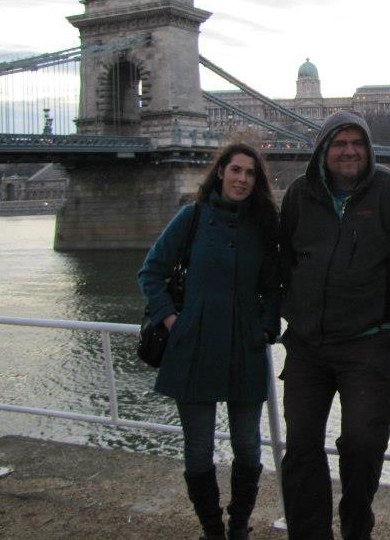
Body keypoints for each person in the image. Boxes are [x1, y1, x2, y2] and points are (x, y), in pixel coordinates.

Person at [278, 110, 390, 540]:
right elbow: (283, 260)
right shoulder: (299, 194)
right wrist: (287, 309)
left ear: (368, 148)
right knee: (301, 449)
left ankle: (355, 527)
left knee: (363, 443)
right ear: (323, 150)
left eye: (358, 143)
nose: (350, 151)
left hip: (367, 342)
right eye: (340, 143)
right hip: (307, 345)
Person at [138, 142, 281, 540]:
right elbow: (150, 272)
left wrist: (266, 328)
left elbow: (274, 287)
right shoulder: (192, 217)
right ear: (220, 172)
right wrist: (172, 320)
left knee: (248, 446)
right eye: (236, 170)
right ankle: (212, 530)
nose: (242, 179)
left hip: (246, 345)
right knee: (199, 447)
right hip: (194, 344)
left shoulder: (264, 225)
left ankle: (239, 527)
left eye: (250, 173)